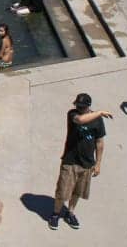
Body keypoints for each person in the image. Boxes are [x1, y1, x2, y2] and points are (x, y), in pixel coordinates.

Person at [49, 94, 111, 231]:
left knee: (77, 191)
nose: (78, 108)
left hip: (87, 163)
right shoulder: (72, 114)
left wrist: (98, 163)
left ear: (88, 106)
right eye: (77, 105)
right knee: (62, 191)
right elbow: (81, 120)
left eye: (81, 107)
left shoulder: (98, 121)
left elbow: (100, 143)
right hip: (70, 161)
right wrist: (100, 112)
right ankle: (55, 214)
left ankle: (70, 213)